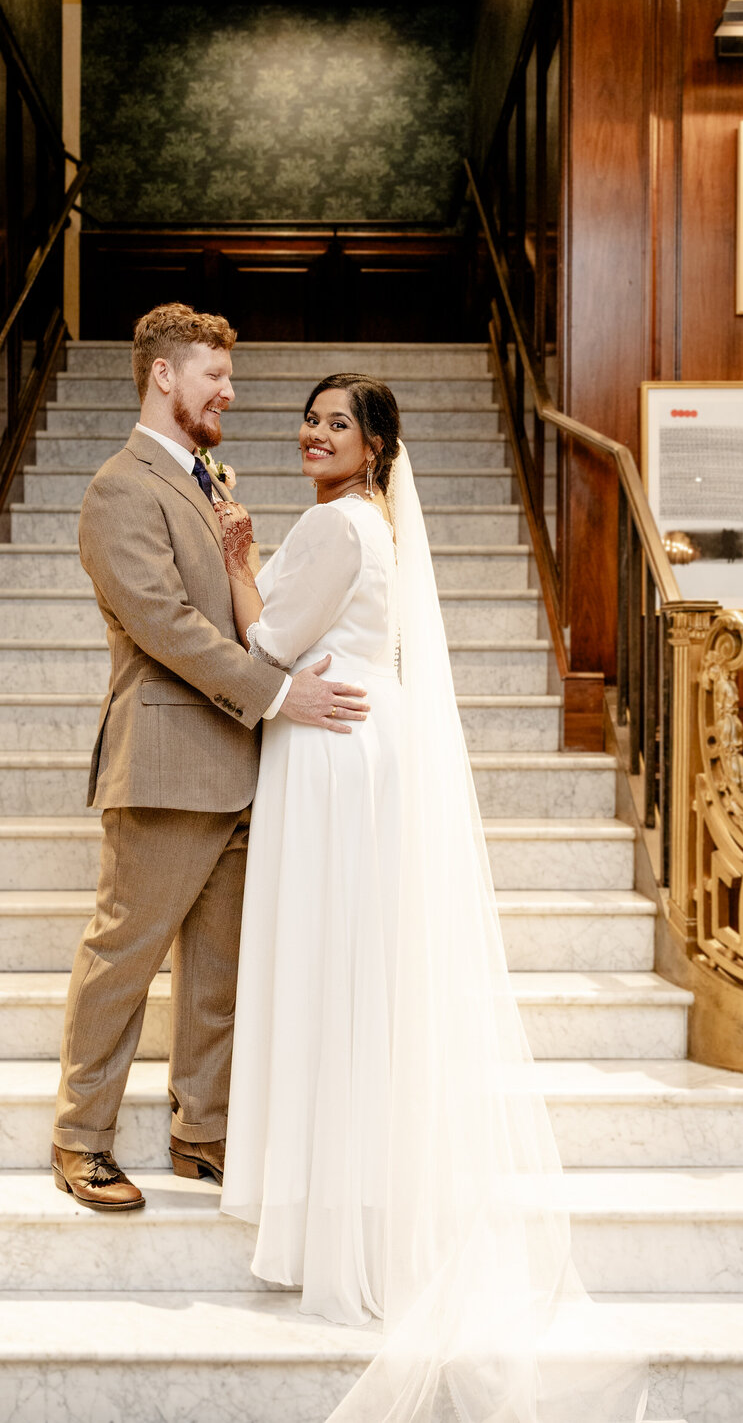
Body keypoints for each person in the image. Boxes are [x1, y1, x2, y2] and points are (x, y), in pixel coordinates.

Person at [217, 374, 648, 1423]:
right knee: (361, 965)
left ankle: (332, 1215)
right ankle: (357, 1189)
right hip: (369, 734)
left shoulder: (331, 528)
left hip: (329, 747)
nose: (315, 435)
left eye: (337, 425)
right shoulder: (375, 526)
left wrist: (236, 563)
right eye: (310, 419)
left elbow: (266, 644)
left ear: (373, 448)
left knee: (326, 959)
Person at [50, 305, 372, 1214]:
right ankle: (81, 1138)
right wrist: (277, 694)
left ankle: (201, 1129)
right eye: (214, 377)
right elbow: (163, 623)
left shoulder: (207, 479)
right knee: (124, 955)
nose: (230, 391)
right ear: (163, 376)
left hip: (240, 763)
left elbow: (245, 613)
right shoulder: (121, 485)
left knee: (220, 972)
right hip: (163, 759)